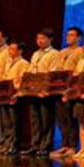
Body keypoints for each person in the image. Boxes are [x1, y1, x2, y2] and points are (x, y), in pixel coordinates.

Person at [26, 27, 60, 157]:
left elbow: (53, 73)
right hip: (33, 91)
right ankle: (35, 145)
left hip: (46, 92)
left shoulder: (54, 54)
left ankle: (45, 146)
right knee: (35, 119)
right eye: (38, 38)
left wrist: (44, 88)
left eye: (43, 38)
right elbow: (31, 70)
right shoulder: (35, 54)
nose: (39, 41)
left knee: (46, 120)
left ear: (50, 39)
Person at [52, 26, 84, 158]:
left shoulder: (81, 51)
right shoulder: (62, 52)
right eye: (67, 35)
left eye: (72, 35)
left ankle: (72, 145)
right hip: (60, 89)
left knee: (71, 119)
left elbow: (79, 71)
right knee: (62, 119)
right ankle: (64, 144)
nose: (68, 37)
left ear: (79, 37)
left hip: (71, 90)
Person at [0, 42, 29, 156]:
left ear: (20, 51)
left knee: (14, 121)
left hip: (14, 94)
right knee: (5, 122)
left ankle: (14, 145)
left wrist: (16, 92)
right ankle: (6, 143)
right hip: (4, 94)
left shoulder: (23, 63)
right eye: (9, 49)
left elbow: (23, 80)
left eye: (13, 49)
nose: (10, 51)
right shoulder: (7, 62)